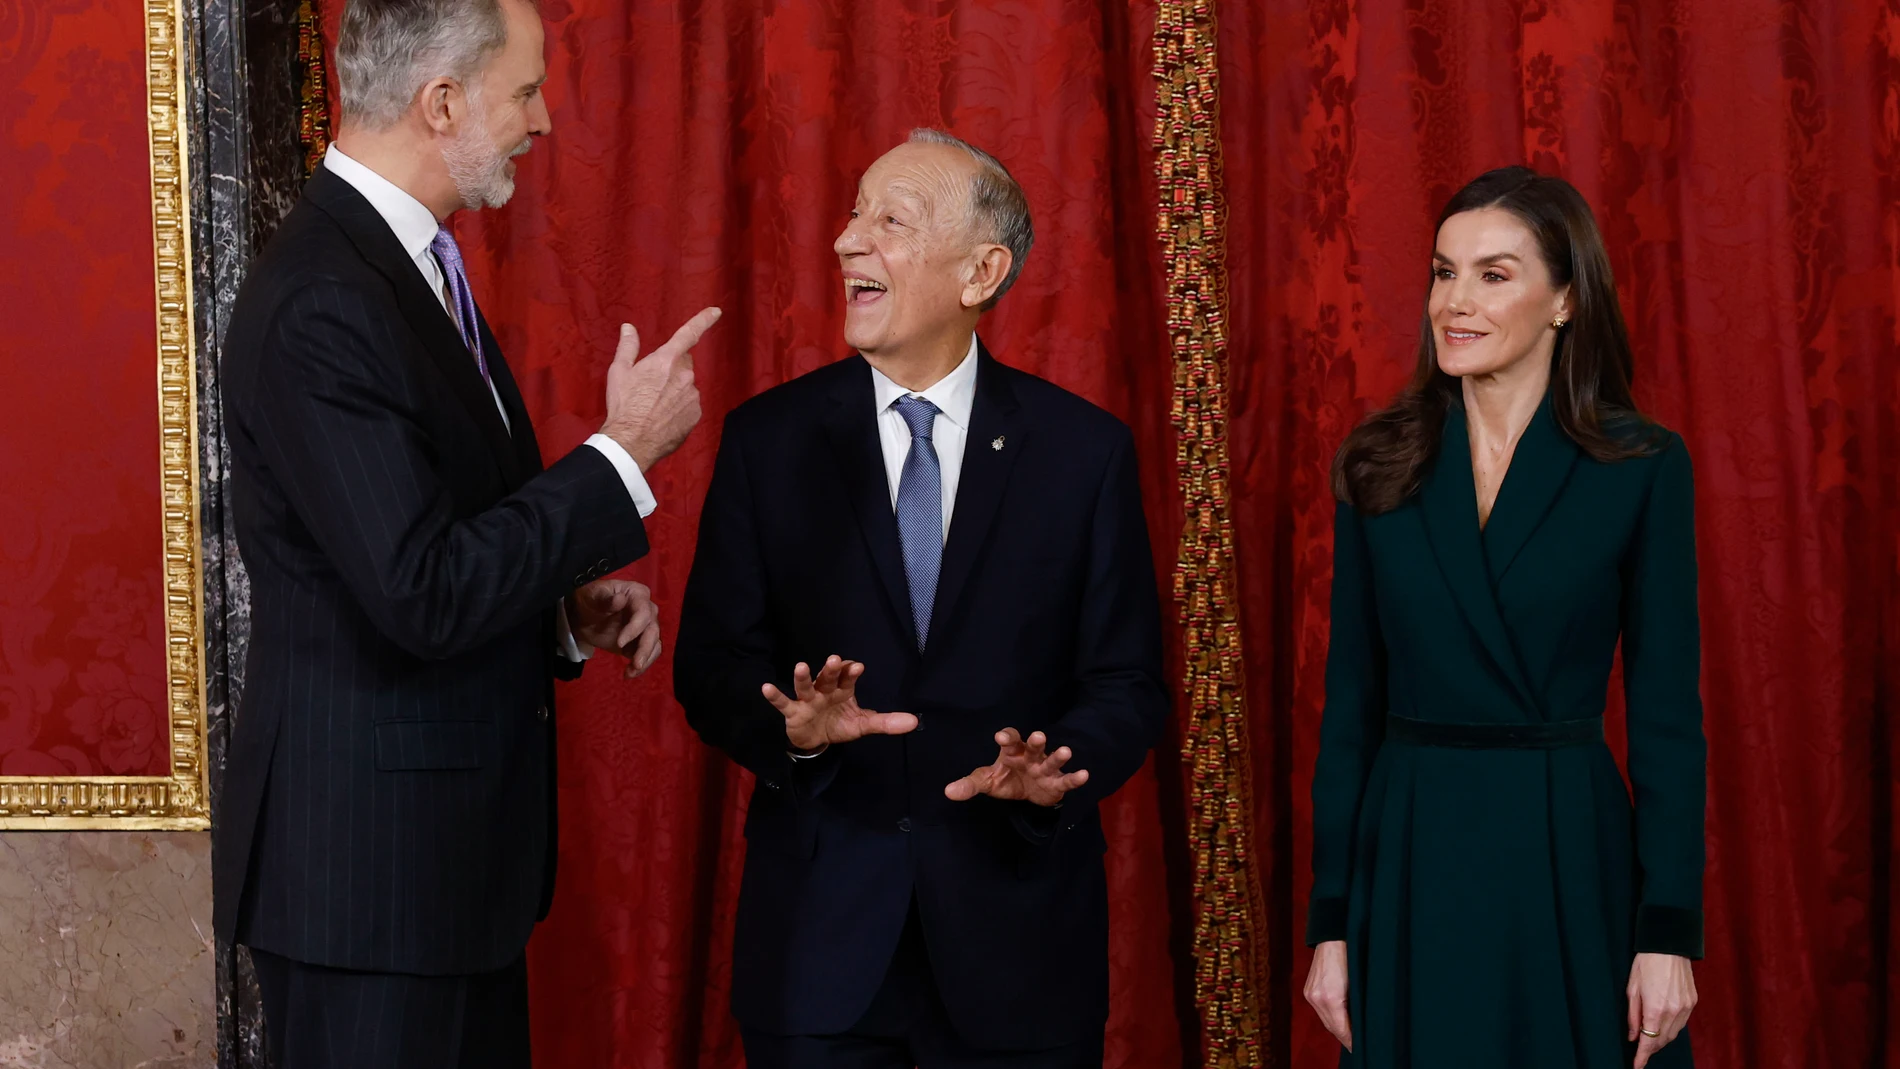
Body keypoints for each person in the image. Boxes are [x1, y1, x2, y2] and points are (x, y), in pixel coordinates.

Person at [210, 0, 720, 1064]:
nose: (541, 120)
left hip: (440, 885)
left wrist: (560, 618)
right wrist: (621, 455)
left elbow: (420, 551)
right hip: (372, 890)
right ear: (441, 104)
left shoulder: (406, 268)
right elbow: (422, 589)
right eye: (525, 90)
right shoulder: (325, 298)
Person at [674, 128, 1169, 1068]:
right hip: (818, 958)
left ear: (981, 271)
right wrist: (794, 729)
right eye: (855, 212)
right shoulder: (768, 440)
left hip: (1019, 956)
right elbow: (710, 665)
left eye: (889, 220)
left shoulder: (1082, 452)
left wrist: (1054, 771)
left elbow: (1127, 682)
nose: (847, 240)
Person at [1301, 165, 1705, 1069]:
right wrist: (1331, 922)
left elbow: (1668, 716)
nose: (1456, 301)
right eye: (1445, 273)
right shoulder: (1379, 462)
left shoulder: (1640, 465)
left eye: (1494, 274)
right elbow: (1349, 714)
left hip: (1567, 848)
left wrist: (1669, 930)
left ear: (1565, 299)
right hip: (1412, 853)